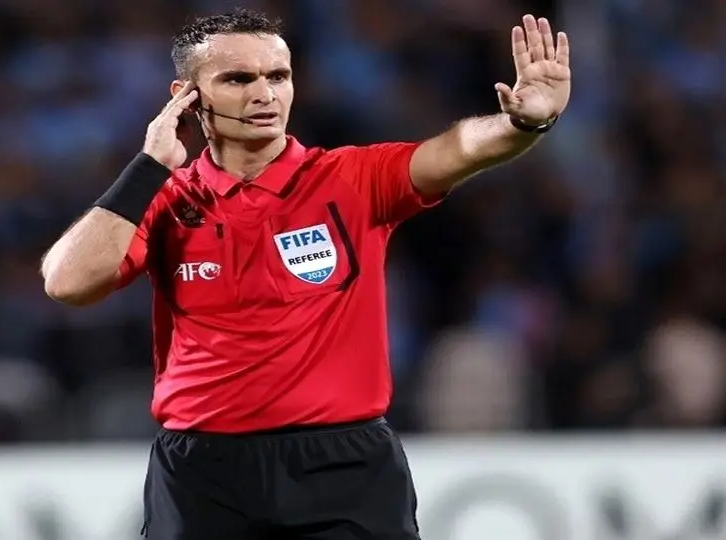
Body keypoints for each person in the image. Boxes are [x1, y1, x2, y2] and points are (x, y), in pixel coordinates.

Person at [40, 8, 571, 540]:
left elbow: (457, 150)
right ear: (187, 96)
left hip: (344, 467)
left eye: (278, 76)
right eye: (238, 79)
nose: (264, 94)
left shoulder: (352, 178)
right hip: (202, 474)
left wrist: (522, 123)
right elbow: (67, 282)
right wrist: (148, 167)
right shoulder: (165, 200)